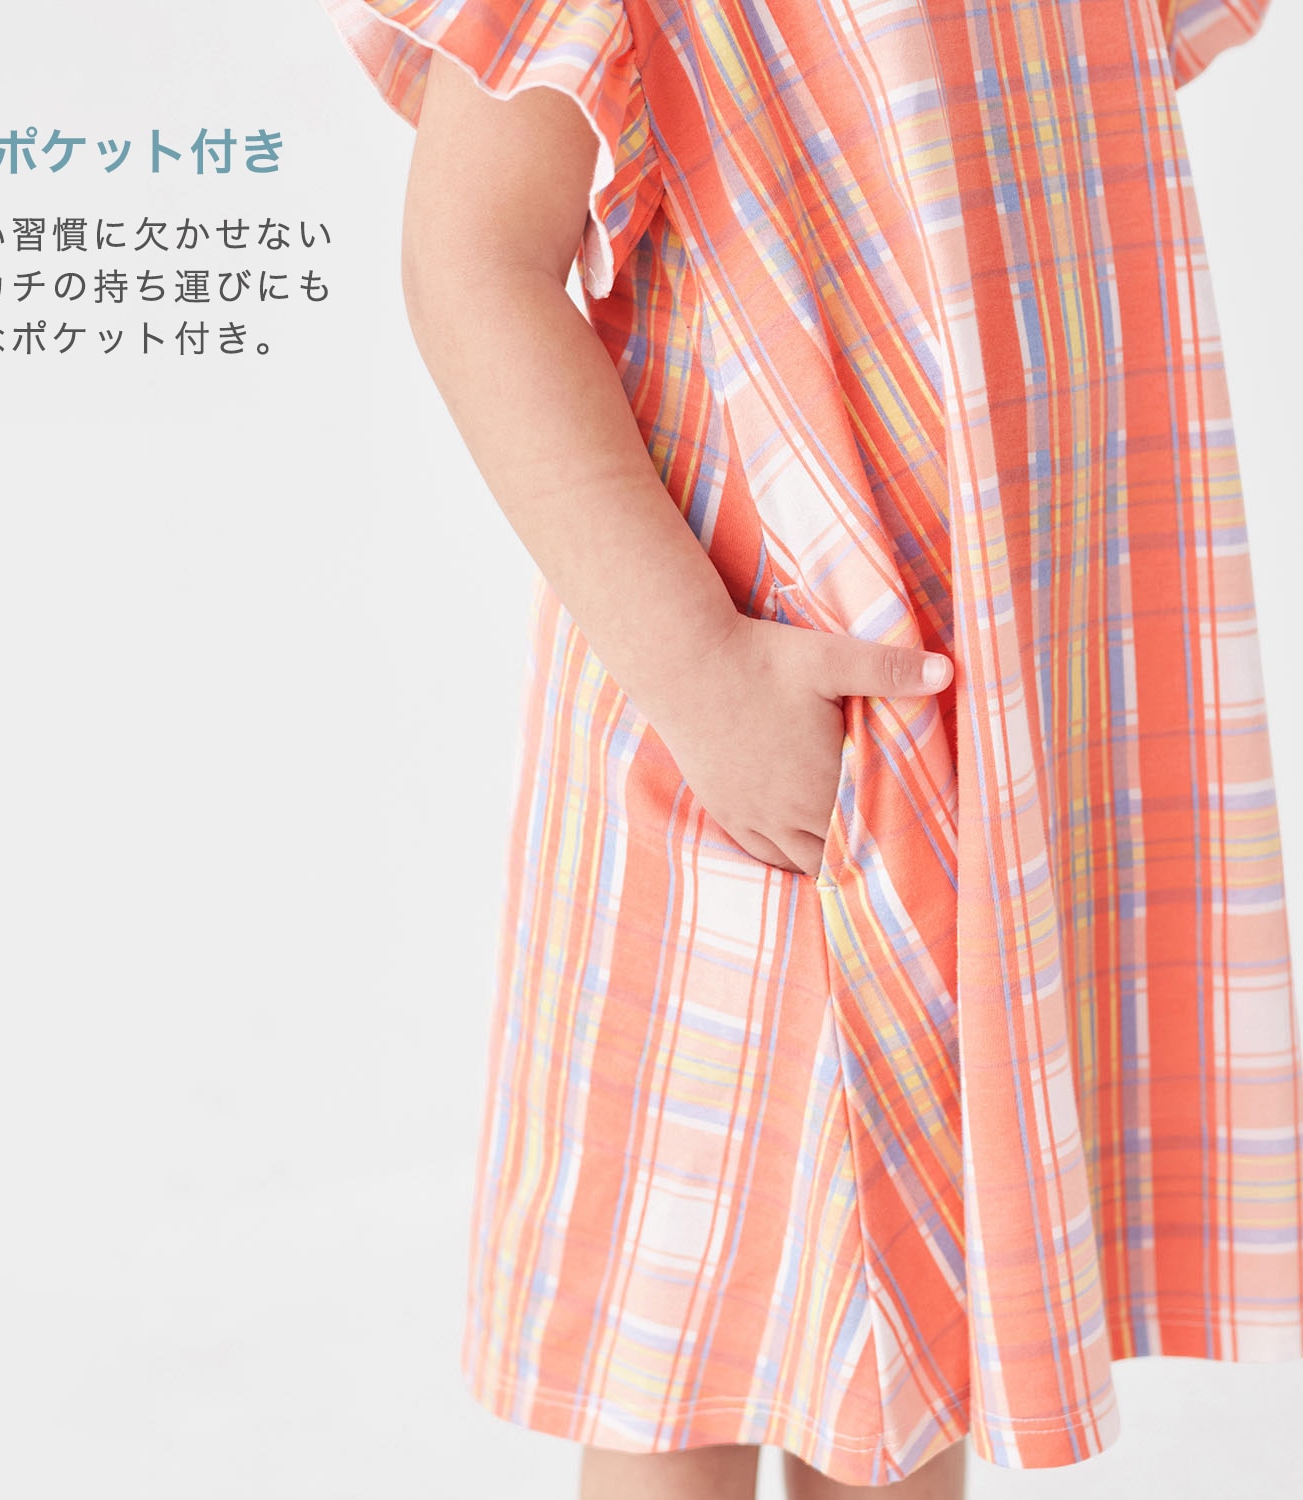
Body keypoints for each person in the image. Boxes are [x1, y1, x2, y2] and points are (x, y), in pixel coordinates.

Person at [320, 2, 1303, 1496]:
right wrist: (703, 673)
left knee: (912, 1339)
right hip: (736, 695)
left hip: (985, 714)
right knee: (682, 1359)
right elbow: (471, 259)